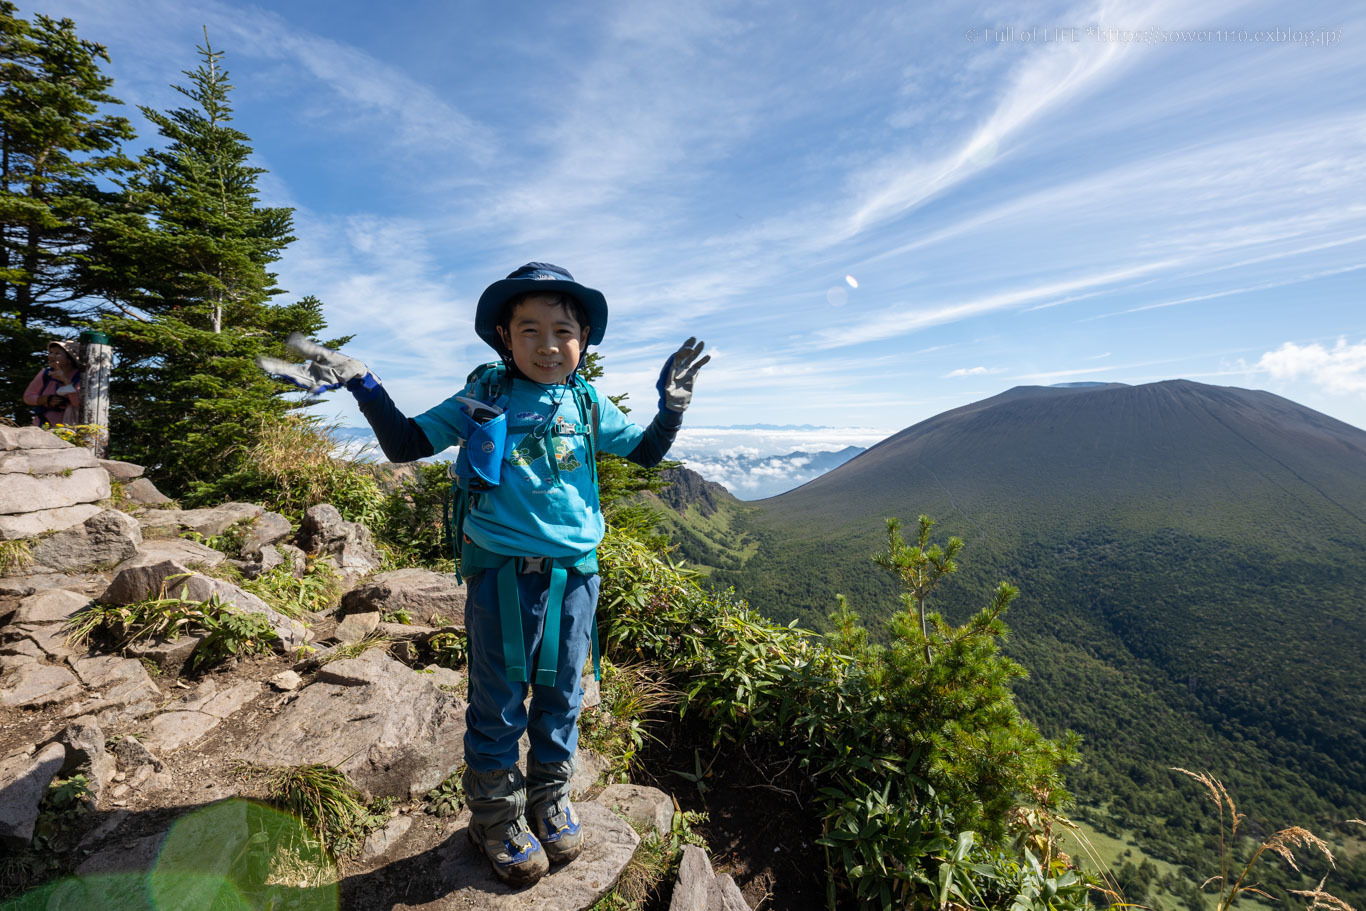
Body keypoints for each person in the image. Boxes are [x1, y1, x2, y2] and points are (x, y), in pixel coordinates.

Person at [257, 263, 708, 886]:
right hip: (500, 575)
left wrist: (672, 408)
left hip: (576, 575)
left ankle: (550, 799)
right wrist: (364, 384)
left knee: (563, 695)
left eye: (564, 331)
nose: (549, 346)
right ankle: (496, 818)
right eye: (531, 330)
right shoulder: (485, 397)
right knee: (497, 704)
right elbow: (408, 444)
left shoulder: (586, 399)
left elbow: (647, 451)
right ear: (504, 335)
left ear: (583, 339)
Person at [23, 340, 83, 426]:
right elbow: (28, 397)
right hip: (42, 426)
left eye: (57, 353)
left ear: (70, 359)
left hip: (69, 428)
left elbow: (77, 403)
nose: (51, 356)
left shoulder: (80, 377)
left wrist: (65, 381)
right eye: (51, 352)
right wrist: (46, 400)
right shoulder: (45, 374)